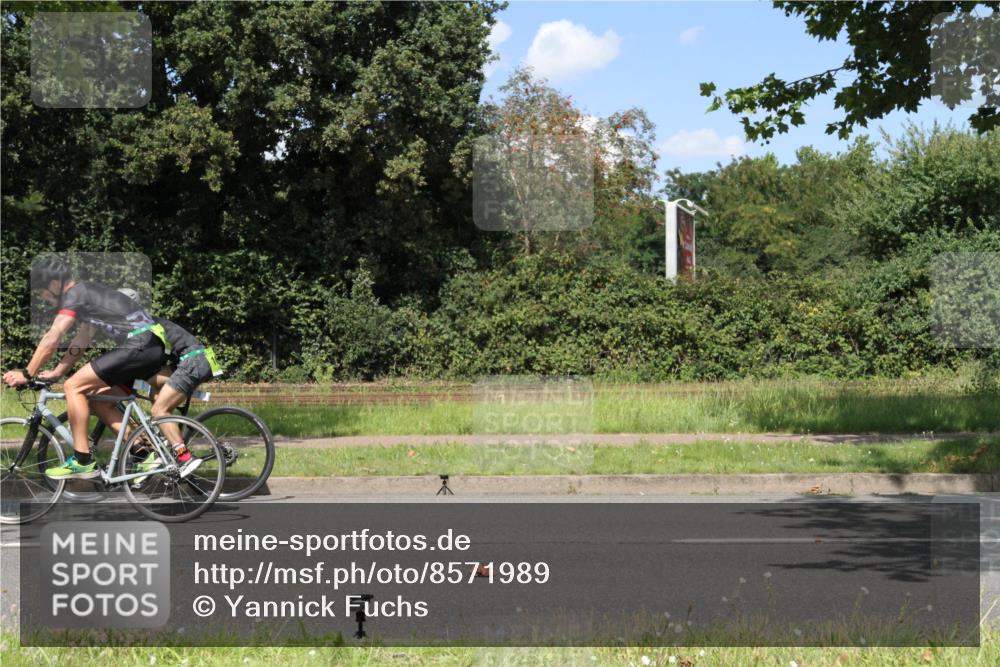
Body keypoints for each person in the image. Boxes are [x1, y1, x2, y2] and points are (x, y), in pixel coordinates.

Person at [1, 257, 178, 479]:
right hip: (147, 348)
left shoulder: (76, 295)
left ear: (55, 283)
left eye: (42, 291)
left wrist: (27, 374)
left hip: (137, 347)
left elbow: (53, 336)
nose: (42, 298)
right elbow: (81, 341)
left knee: (73, 387)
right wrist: (57, 371)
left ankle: (83, 460)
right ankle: (145, 454)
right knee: (97, 400)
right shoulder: (88, 296)